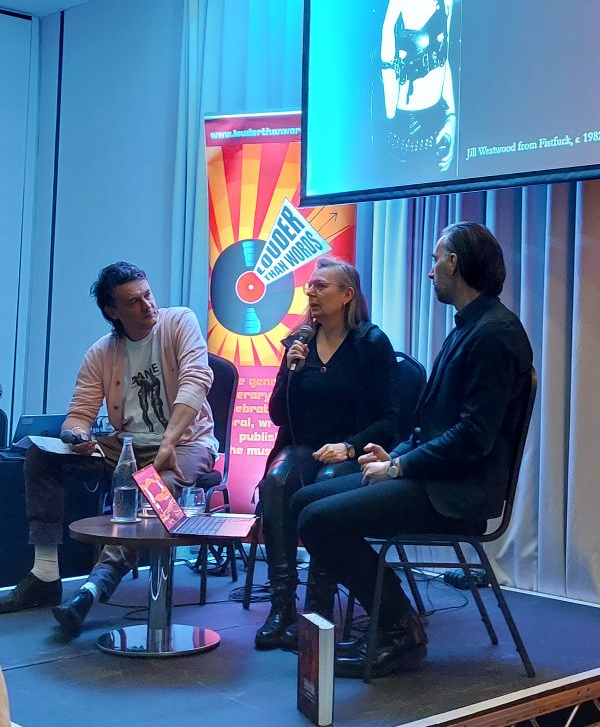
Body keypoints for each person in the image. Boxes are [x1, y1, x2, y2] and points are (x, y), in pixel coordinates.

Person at [290, 222, 533, 678]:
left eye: (436, 260)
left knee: (317, 519)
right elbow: (429, 426)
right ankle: (390, 619)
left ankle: (399, 626)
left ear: (454, 264)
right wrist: (392, 455)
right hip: (436, 476)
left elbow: (472, 437)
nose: (430, 272)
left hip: (458, 491)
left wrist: (399, 466)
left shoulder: (493, 334)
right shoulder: (472, 327)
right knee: (304, 500)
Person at [0, 262, 217, 639]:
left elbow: (196, 380)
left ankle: (93, 588)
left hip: (183, 443)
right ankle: (46, 574)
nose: (148, 305)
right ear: (112, 311)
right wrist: (76, 435)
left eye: (148, 294)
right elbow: (79, 414)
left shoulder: (179, 322)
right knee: (40, 454)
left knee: (155, 490)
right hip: (124, 446)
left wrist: (168, 442)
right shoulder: (101, 352)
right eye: (134, 301)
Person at [255, 257, 397, 651]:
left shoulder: (370, 344)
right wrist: (293, 372)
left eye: (321, 286)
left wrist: (349, 446)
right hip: (304, 446)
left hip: (354, 448)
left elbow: (391, 419)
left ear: (347, 295)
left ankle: (316, 611)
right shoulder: (298, 342)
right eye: (310, 287)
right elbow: (277, 415)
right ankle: (281, 605)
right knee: (278, 481)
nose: (311, 293)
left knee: (329, 484)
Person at [380, 0, 457, 176]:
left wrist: (452, 119)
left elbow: (444, 59)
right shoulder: (386, 8)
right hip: (401, 135)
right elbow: (389, 107)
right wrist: (390, 19)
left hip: (437, 124)